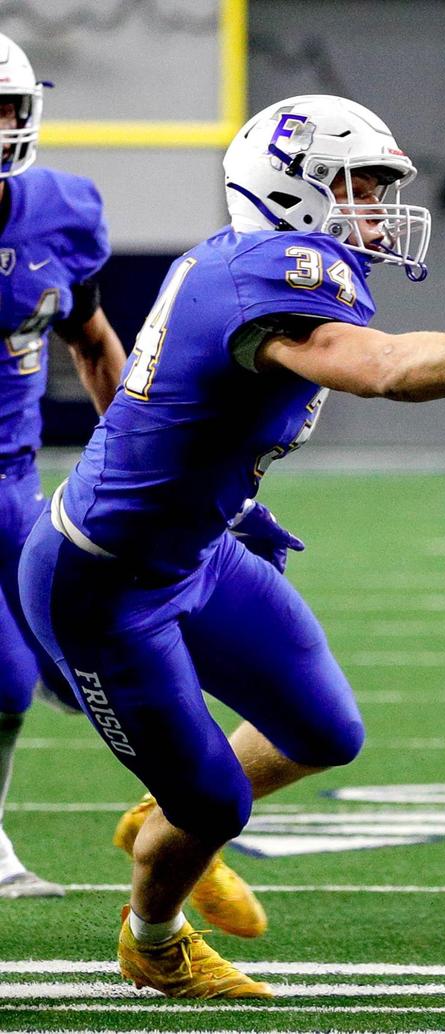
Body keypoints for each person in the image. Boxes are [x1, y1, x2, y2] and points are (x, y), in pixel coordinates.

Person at [16, 92, 445, 999]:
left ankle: (167, 810)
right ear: (292, 187)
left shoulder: (257, 262)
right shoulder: (272, 272)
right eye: (358, 184)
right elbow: (379, 369)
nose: (378, 207)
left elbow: (164, 418)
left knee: (322, 730)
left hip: (192, 549)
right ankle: (153, 938)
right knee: (217, 804)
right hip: (101, 582)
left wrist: (219, 506)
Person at [0, 33, 126, 898]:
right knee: (6, 681)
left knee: (68, 678)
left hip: (12, 485)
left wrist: (138, 450)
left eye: (5, 106)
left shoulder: (60, 209)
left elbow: (88, 334)